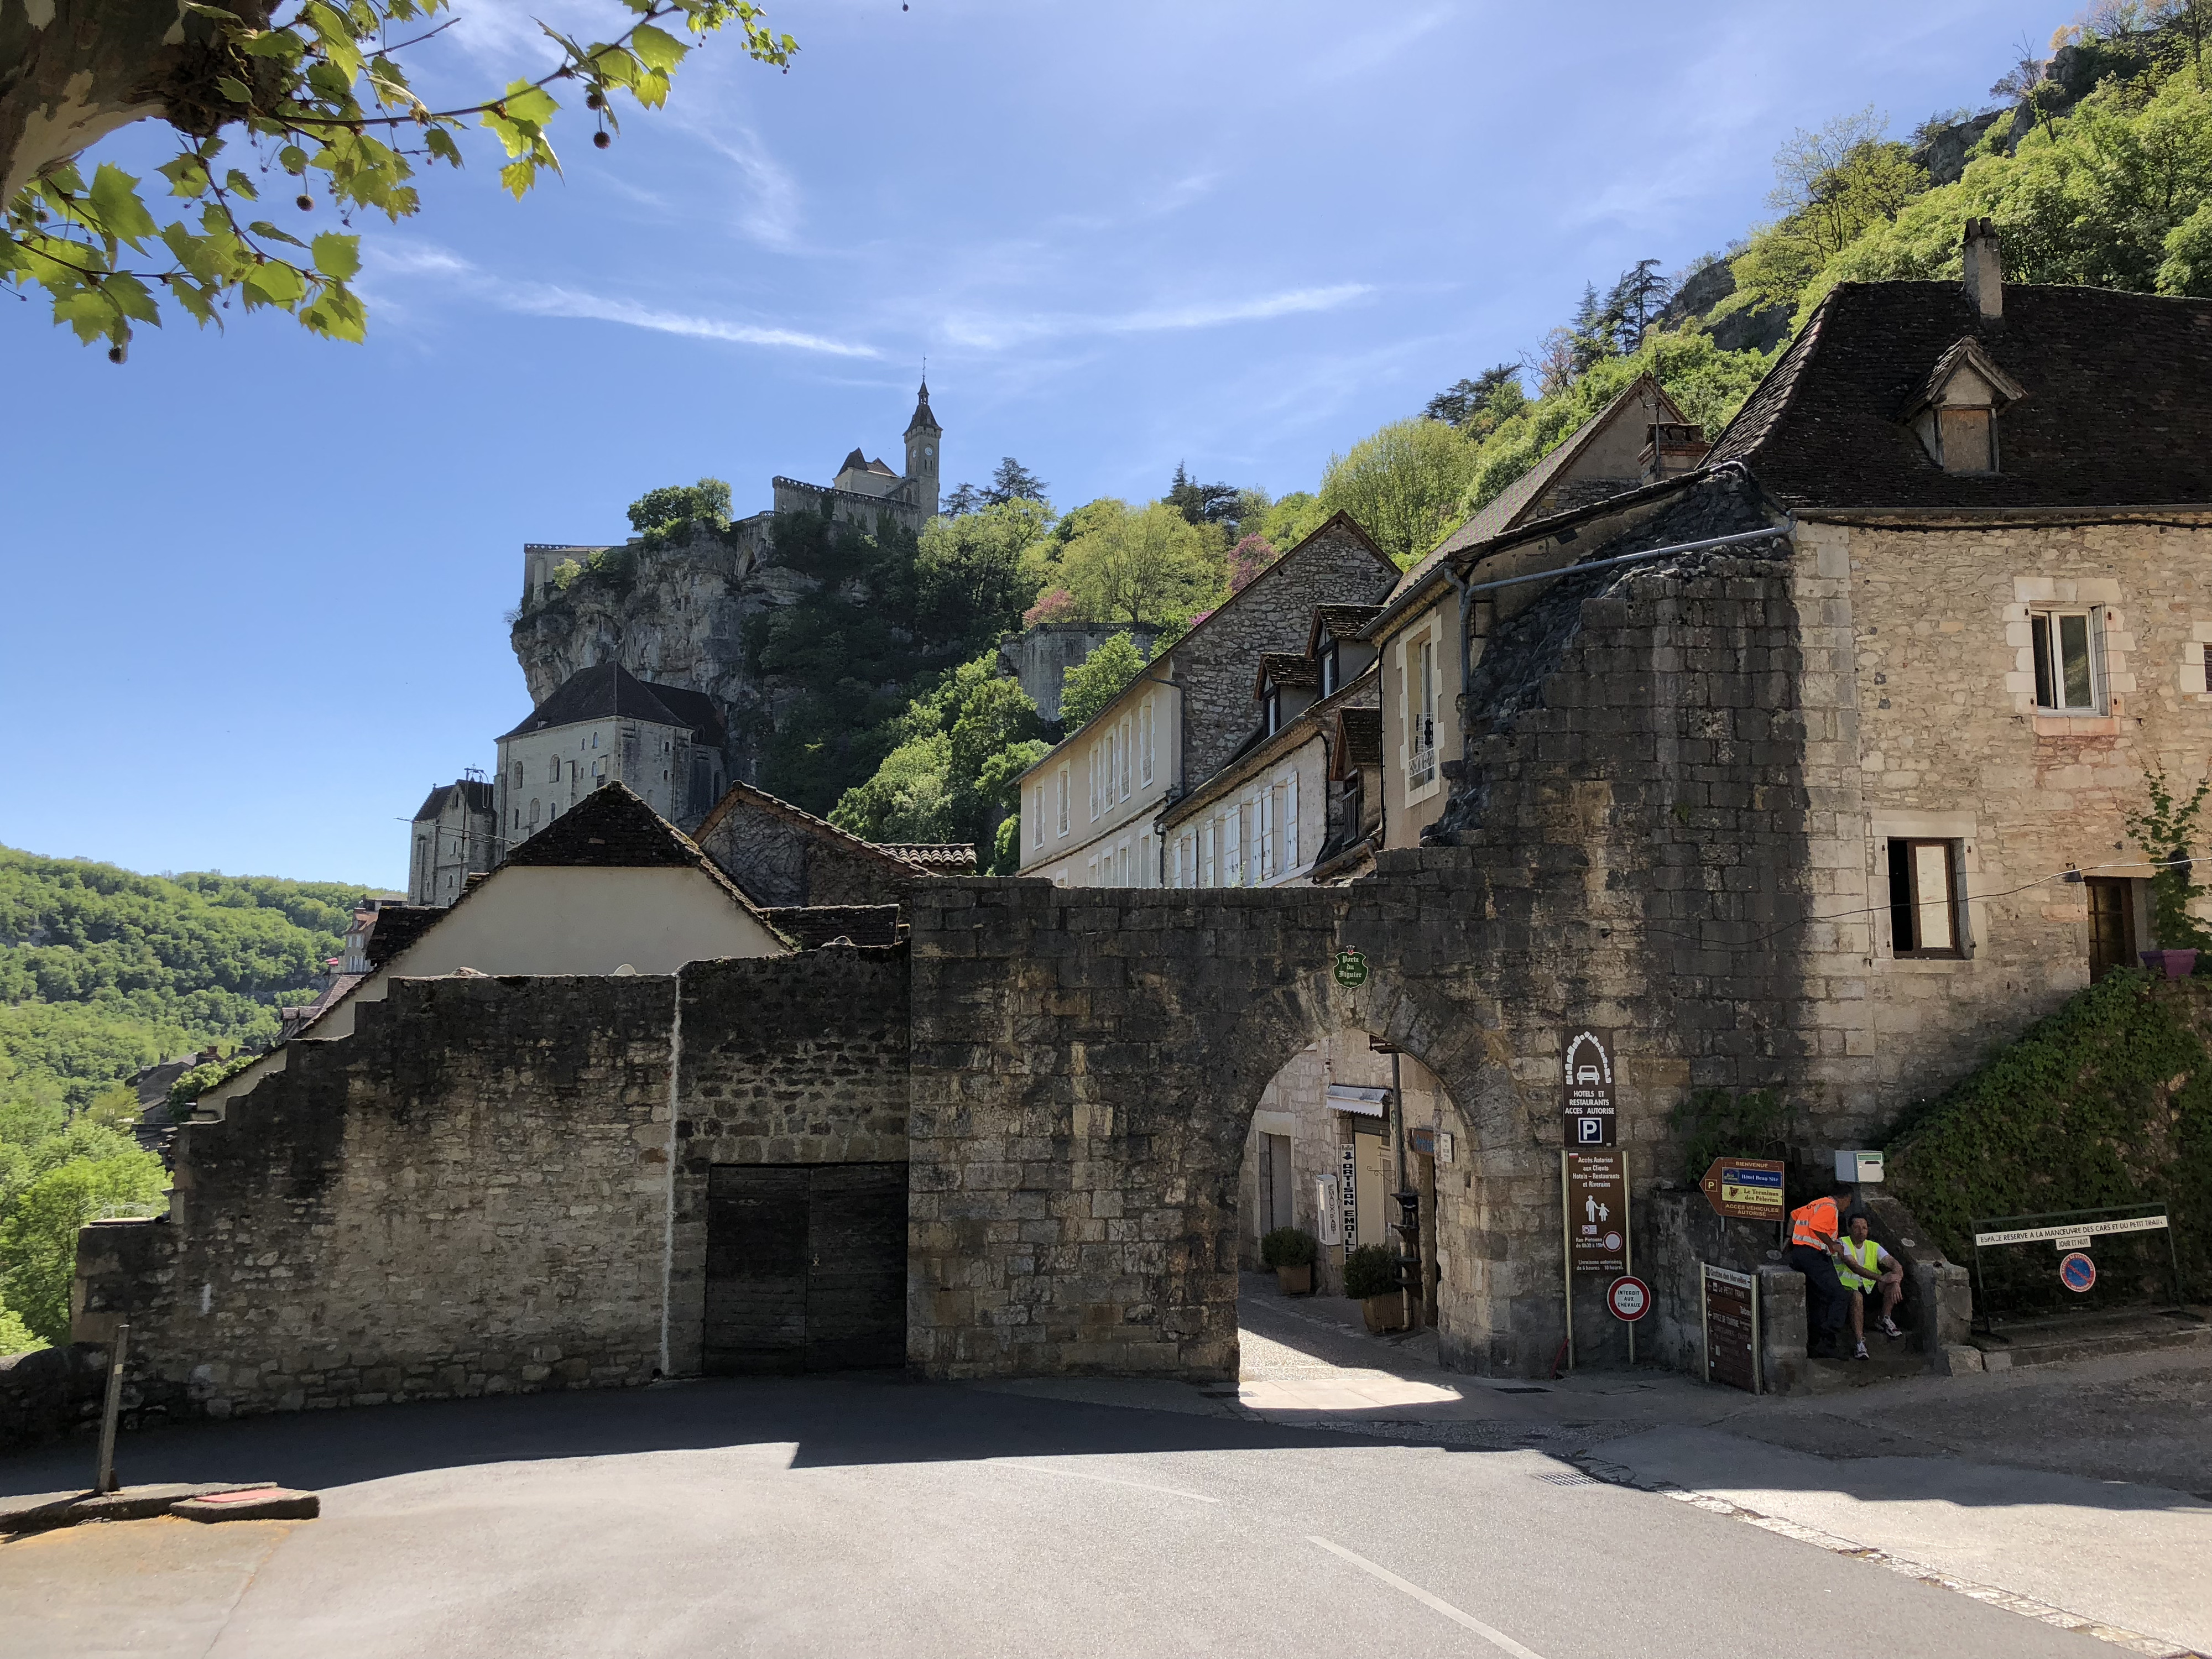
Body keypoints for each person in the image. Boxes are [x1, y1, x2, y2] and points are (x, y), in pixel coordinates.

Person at [1787, 1185, 1851, 1358]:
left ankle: (1815, 1343)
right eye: (1849, 1202)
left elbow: (1794, 1215)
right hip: (1814, 1255)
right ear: (1844, 1198)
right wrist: (1832, 1244)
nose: (1847, 1207)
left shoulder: (1815, 1204)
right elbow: (1817, 1227)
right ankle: (1828, 1342)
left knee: (1819, 1298)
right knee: (1840, 1296)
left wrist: (1788, 1239)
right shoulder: (1830, 1207)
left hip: (1799, 1254)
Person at [1834, 1211, 1905, 1360]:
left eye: (1864, 1228)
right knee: (1857, 1297)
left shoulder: (1873, 1246)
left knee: (1892, 1282)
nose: (1861, 1231)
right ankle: (1860, 1343)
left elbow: (1894, 1263)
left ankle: (1885, 1318)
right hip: (1848, 1289)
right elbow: (1854, 1267)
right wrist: (1883, 1278)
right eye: (1857, 1227)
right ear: (1849, 1229)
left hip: (1869, 1288)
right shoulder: (1842, 1243)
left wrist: (1896, 1280)